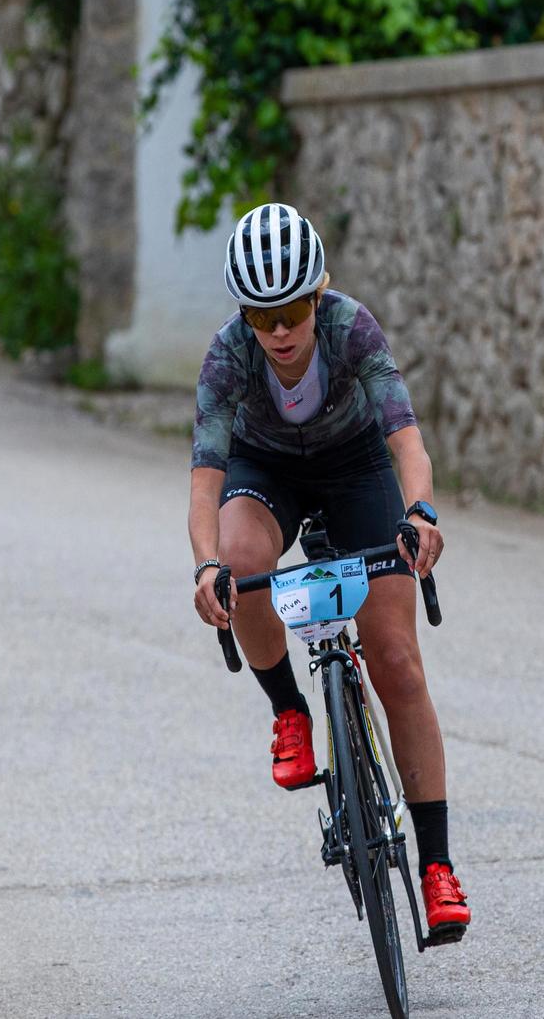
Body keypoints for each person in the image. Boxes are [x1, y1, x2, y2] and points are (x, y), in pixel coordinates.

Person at [187, 202, 469, 934]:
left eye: (293, 309)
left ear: (319, 294)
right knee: (243, 562)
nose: (279, 330)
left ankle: (437, 866)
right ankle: (290, 709)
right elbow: (205, 483)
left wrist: (421, 513)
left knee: (398, 660)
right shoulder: (227, 357)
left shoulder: (352, 329)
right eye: (262, 315)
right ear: (243, 313)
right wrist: (205, 565)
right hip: (266, 468)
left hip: (355, 466)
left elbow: (407, 441)